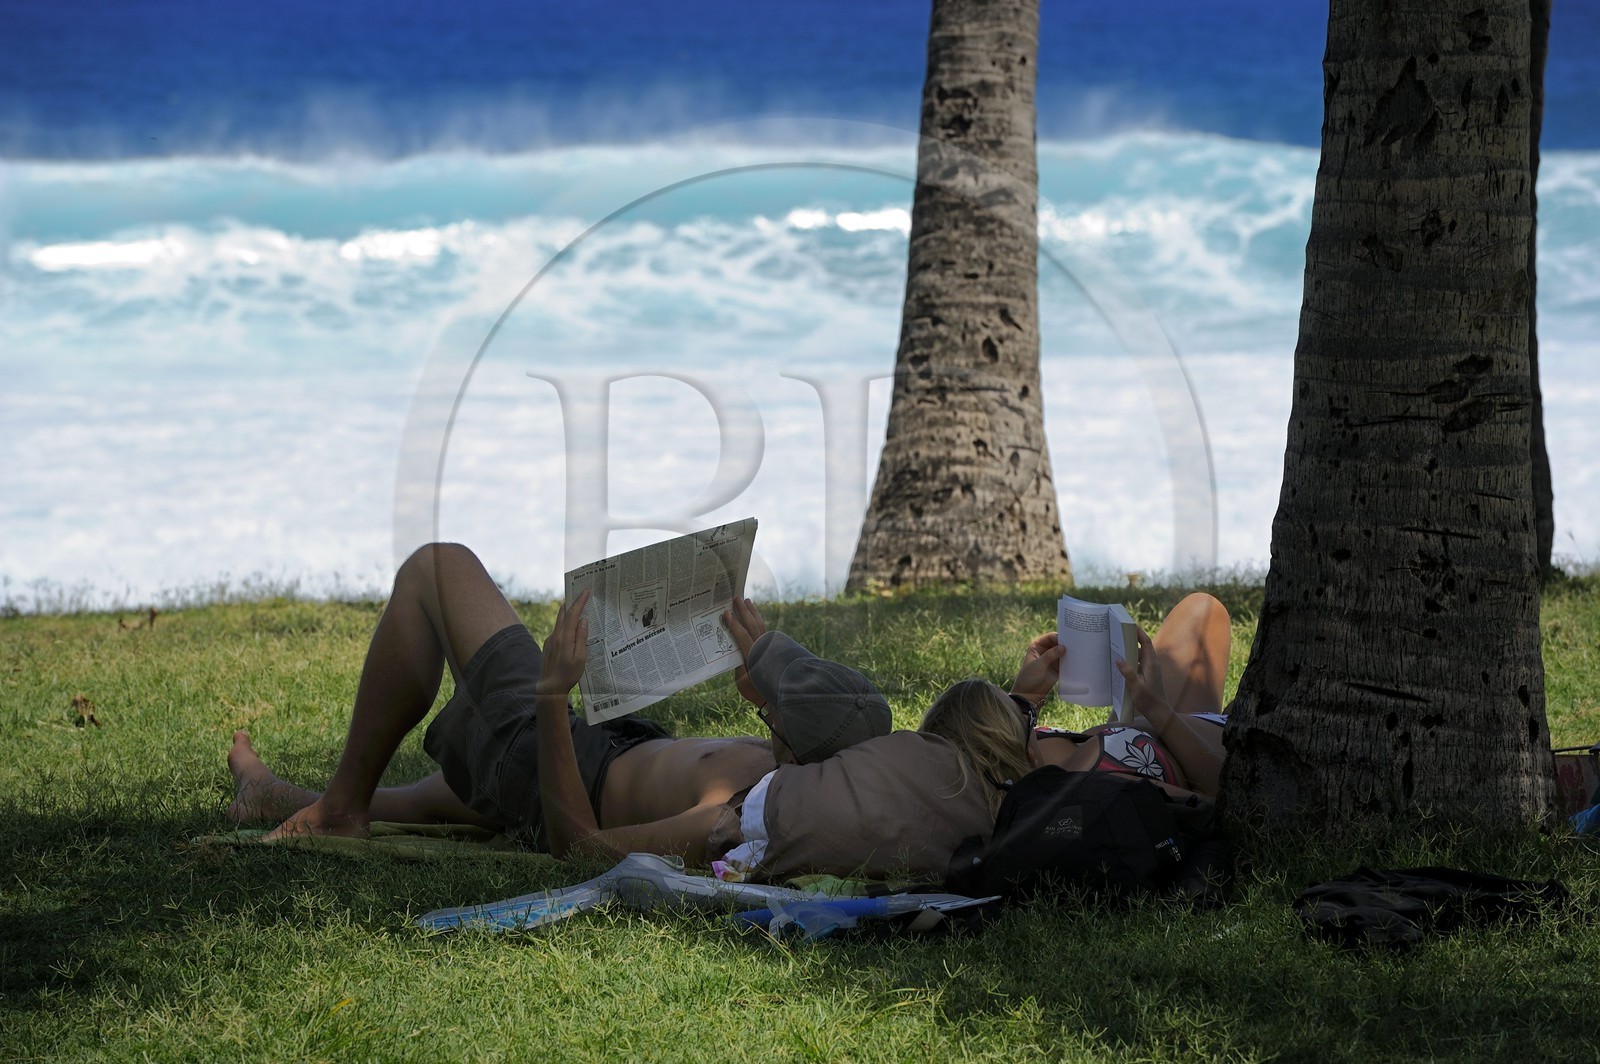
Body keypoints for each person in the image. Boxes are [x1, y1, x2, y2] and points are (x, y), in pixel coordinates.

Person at [228, 542, 889, 863]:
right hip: (608, 744)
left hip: (564, 766)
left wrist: (551, 695)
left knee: (437, 567)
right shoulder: (825, 764)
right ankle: (274, 796)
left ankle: (340, 810)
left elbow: (581, 848)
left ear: (785, 734)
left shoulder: (739, 812)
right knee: (431, 802)